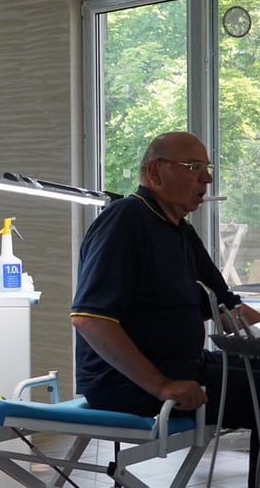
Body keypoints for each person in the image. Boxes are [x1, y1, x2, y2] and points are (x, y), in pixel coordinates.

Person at [71, 131, 260, 487]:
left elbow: (225, 308)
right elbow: (89, 320)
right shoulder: (126, 220)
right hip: (126, 383)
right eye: (193, 167)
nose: (206, 178)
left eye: (207, 168)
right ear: (155, 172)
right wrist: (162, 386)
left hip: (186, 365)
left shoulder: (180, 232)